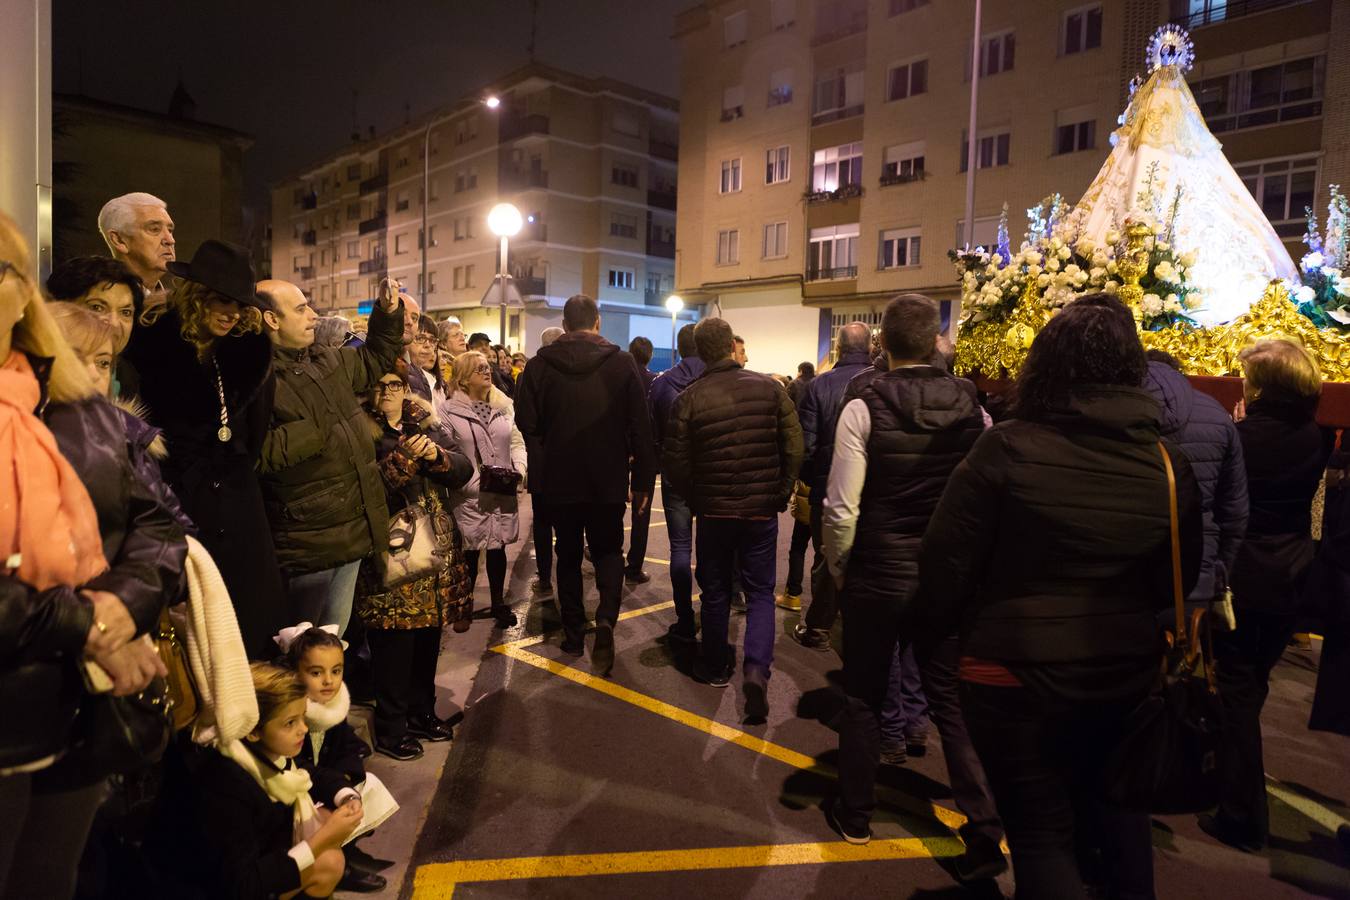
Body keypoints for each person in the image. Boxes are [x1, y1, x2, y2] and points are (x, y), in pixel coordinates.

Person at [918, 294, 1203, 899]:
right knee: (1119, 815)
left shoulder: (1008, 448)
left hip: (1011, 673)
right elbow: (1174, 577)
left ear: (1046, 363)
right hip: (1122, 673)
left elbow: (945, 563)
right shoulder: (1167, 463)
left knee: (1041, 832)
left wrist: (939, 639)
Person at [0, 213, 179, 900]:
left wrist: (117, 605)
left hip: (75, 710)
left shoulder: (81, 408)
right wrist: (92, 625)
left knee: (52, 880)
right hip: (18, 704)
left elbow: (157, 527)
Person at [818, 295, 988, 860]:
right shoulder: (973, 407)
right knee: (949, 698)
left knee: (864, 695)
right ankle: (983, 826)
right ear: (937, 340)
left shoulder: (863, 404)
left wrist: (839, 569)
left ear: (883, 344)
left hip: (878, 572)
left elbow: (842, 506)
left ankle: (857, 814)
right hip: (943, 575)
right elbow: (983, 498)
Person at [121, 239, 287, 659]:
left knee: (249, 615)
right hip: (178, 497)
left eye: (239, 304)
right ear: (196, 296)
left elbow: (254, 431)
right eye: (221, 300)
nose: (231, 313)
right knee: (193, 623)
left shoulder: (249, 351)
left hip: (237, 499)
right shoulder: (152, 343)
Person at [1201, 337, 1332, 853]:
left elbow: (1225, 501)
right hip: (1291, 573)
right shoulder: (1315, 436)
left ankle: (1241, 813)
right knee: (1249, 686)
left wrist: (1238, 427)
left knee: (1234, 691)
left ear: (1265, 385)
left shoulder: (1243, 437)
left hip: (1246, 577)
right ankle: (1230, 786)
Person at [664, 317, 803, 717]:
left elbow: (675, 463)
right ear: (730, 346)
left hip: (714, 512)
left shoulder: (690, 398)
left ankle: (713, 664)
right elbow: (794, 446)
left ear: (700, 351)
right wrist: (781, 491)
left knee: (716, 589)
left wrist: (697, 497)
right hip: (761, 511)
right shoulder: (770, 389)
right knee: (760, 593)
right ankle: (757, 670)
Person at [515, 295, 657, 675]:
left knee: (569, 554)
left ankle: (574, 633)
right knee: (609, 549)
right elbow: (642, 429)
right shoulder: (622, 363)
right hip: (606, 477)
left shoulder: (539, 365)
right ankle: (607, 617)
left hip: (559, 477)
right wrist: (643, 481)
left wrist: (541, 468)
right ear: (597, 322)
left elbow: (526, 423)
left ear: (564, 324)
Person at [256, 277, 405, 637]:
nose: (313, 315)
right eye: (301, 308)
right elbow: (258, 452)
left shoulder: (326, 359)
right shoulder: (257, 377)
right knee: (299, 655)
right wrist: (317, 428)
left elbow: (375, 359)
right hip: (309, 542)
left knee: (331, 647)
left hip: (351, 530)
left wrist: (387, 313)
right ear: (271, 320)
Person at [150, 663, 360, 899]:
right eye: (290, 722)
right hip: (211, 888)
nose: (303, 729)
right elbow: (242, 886)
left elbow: (311, 774)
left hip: (250, 863)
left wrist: (347, 796)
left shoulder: (263, 752)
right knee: (328, 860)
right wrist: (320, 841)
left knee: (322, 822)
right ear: (253, 730)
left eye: (303, 716)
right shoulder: (225, 785)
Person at [356, 364, 474, 760]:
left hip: (434, 554)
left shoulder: (423, 422)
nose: (388, 392)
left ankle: (422, 713)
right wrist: (405, 458)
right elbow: (366, 490)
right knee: (394, 642)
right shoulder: (360, 430)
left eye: (396, 385)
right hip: (394, 556)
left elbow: (463, 469)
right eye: (381, 384)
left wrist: (436, 455)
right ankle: (391, 729)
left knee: (426, 638)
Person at [276, 624, 397, 893]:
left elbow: (346, 747)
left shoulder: (334, 703)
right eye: (316, 672)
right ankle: (330, 866)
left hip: (322, 781)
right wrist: (333, 788)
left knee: (361, 788)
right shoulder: (289, 710)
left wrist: (345, 779)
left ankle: (342, 857)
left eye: (336, 671)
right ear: (295, 673)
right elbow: (293, 765)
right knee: (332, 809)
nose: (329, 681)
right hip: (293, 790)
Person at [1143, 349, 1249, 610]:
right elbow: (1234, 511)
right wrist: (1218, 571)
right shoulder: (1216, 415)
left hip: (1128, 576)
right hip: (1196, 571)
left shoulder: (1120, 411)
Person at [791, 322, 874, 650]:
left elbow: (807, 445)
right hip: (873, 486)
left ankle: (818, 628)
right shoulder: (880, 381)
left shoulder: (819, 386)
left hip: (828, 483)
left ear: (837, 348)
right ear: (869, 347)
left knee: (825, 555)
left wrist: (811, 481)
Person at [441, 350, 528, 628]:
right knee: (469, 552)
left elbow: (516, 442)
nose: (487, 371)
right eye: (479, 369)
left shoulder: (503, 406)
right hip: (469, 494)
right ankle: (463, 608)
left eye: (487, 367)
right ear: (463, 379)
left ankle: (498, 603)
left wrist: (520, 470)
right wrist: (466, 483)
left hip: (500, 489)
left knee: (497, 548)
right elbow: (447, 452)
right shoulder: (447, 411)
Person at [648, 323, 705, 644]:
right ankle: (714, 613)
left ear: (680, 348)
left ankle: (685, 618)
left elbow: (652, 430)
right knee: (713, 549)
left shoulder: (663, 383)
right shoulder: (717, 379)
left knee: (680, 548)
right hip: (711, 476)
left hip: (675, 475)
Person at [46, 255, 146, 396]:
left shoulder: (127, 376)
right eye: (97, 308)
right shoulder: (35, 375)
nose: (114, 323)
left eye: (125, 312)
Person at [529, 325, 565, 598]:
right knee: (566, 521)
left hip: (539, 458)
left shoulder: (531, 369)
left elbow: (523, 417)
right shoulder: (567, 368)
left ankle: (544, 577)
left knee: (541, 522)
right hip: (565, 458)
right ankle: (565, 569)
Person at [96, 192, 176, 313]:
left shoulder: (178, 307)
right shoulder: (99, 304)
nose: (170, 240)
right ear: (119, 240)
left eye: (170, 230)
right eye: (155, 229)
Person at [625, 335, 659, 585]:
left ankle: (606, 552)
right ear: (649, 356)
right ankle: (634, 566)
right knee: (641, 511)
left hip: (617, 452)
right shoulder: (654, 382)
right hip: (645, 455)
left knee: (612, 506)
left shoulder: (620, 378)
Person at [411, 316, 448, 408]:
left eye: (432, 340)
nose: (427, 345)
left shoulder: (431, 379)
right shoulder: (400, 375)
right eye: (420, 338)